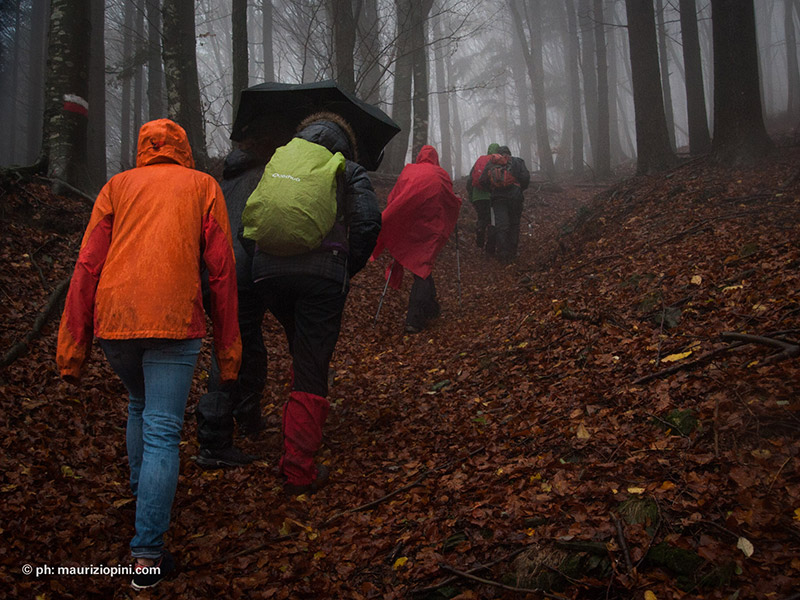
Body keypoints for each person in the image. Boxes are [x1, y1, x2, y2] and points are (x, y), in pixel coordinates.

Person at [56, 119, 241, 589]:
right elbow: (221, 271)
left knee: (141, 406)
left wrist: (73, 347)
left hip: (115, 321)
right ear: (182, 148)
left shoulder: (116, 187)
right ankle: (146, 556)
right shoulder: (203, 186)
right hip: (173, 321)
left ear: (144, 148)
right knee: (162, 430)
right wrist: (229, 350)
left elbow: (87, 264)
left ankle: (144, 498)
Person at [247, 111, 381, 495]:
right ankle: (298, 468)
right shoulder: (346, 167)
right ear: (344, 140)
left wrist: (261, 263)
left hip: (267, 274)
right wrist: (344, 268)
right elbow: (369, 223)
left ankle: (296, 432)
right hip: (320, 277)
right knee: (311, 362)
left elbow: (250, 221)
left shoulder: (280, 160)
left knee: (301, 347)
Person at [194, 140, 275, 469]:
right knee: (229, 349)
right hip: (238, 274)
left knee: (248, 343)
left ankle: (247, 416)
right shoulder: (265, 177)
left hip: (210, 272)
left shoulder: (222, 181)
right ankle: (213, 441)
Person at [371, 144, 461, 334]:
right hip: (430, 228)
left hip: (409, 226)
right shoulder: (441, 174)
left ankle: (429, 308)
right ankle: (415, 318)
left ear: (420, 156)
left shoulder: (409, 171)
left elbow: (395, 197)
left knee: (421, 267)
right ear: (435, 158)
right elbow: (449, 199)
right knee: (422, 267)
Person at [479, 145, 530, 263]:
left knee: (501, 225)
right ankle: (512, 252)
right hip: (515, 197)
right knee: (514, 223)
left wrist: (491, 189)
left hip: (498, 198)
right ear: (509, 153)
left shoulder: (492, 163)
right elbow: (526, 177)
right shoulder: (518, 161)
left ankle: (503, 253)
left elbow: (482, 180)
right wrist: (520, 188)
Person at [466, 142, 499, 253]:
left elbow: (470, 180)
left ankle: (480, 231)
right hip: (491, 196)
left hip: (478, 196)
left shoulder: (480, 160)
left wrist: (472, 197)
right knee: (491, 221)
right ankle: (490, 247)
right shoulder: (496, 161)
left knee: (481, 217)